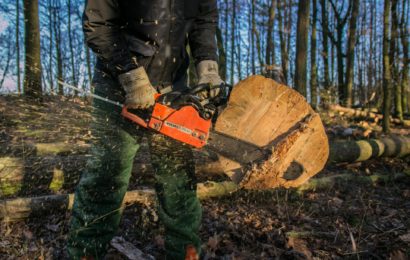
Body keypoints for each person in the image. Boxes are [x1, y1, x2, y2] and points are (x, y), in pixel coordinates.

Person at [67, 0, 223, 259]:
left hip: (174, 88)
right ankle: (85, 252)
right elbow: (98, 22)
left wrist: (207, 65)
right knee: (108, 173)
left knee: (178, 179)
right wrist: (129, 72)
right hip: (118, 85)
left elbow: (204, 19)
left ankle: (185, 251)